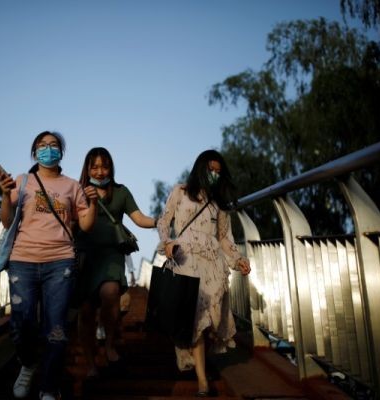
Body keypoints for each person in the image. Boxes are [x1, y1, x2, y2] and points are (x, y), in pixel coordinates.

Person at [0, 131, 98, 400]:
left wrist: (94, 203)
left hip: (60, 262)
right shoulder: (23, 181)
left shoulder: (72, 186)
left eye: (53, 146)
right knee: (22, 323)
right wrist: (6, 195)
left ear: (61, 152)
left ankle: (49, 386)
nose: (48, 150)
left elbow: (85, 225)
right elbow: (7, 221)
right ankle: (28, 365)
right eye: (42, 146)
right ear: (34, 152)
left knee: (56, 329)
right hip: (22, 261)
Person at [156, 149, 251, 397]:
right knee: (197, 318)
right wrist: (166, 242)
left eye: (219, 172)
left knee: (213, 320)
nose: (214, 175)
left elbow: (223, 238)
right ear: (200, 168)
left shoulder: (219, 204)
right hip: (186, 258)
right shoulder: (180, 191)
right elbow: (164, 221)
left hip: (212, 264)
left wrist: (238, 259)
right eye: (211, 170)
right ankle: (202, 380)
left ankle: (192, 355)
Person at [75, 147, 157, 378]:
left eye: (104, 166)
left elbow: (138, 217)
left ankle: (110, 343)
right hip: (84, 255)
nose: (100, 171)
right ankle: (91, 363)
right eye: (94, 167)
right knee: (86, 311)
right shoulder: (78, 191)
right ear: (87, 168)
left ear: (111, 167)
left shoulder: (121, 192)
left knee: (111, 292)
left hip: (111, 254)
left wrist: (160, 221)